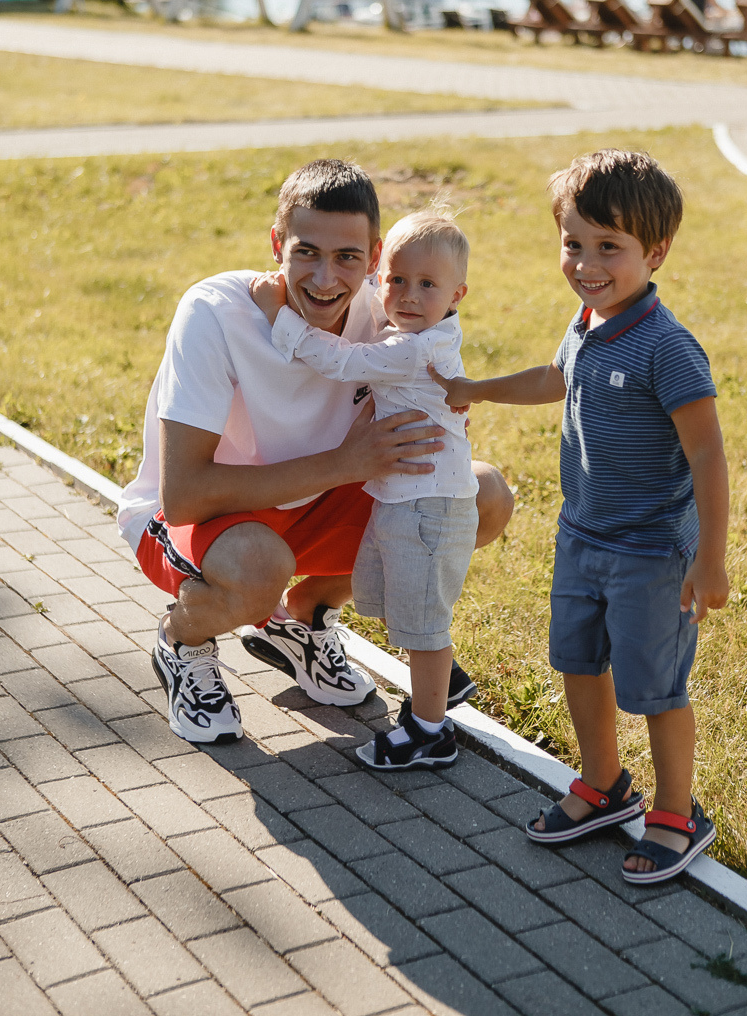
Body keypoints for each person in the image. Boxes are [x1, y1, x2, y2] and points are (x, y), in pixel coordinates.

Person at [117, 159, 513, 745]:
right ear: (277, 243)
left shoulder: (390, 307)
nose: (326, 279)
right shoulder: (216, 310)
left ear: (375, 258)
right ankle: (183, 641)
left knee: (480, 496)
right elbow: (183, 497)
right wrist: (344, 464)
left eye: (347, 257)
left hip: (315, 502)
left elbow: (433, 376)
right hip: (204, 521)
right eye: (307, 252)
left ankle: (306, 617)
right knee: (258, 567)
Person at [430, 149, 730, 884]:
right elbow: (554, 377)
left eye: (608, 247)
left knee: (654, 687)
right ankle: (603, 785)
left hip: (651, 553)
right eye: (573, 243)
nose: (586, 264)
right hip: (582, 537)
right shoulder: (589, 319)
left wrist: (710, 559)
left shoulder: (667, 347)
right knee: (576, 661)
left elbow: (708, 455)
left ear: (655, 253)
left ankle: (677, 812)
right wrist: (475, 387)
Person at [257, 206, 477, 770]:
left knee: (424, 626)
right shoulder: (416, 329)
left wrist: (278, 314)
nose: (406, 295)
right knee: (400, 604)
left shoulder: (412, 349)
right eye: (396, 279)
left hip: (428, 506)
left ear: (458, 294)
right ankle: (434, 685)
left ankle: (429, 730)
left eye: (427, 285)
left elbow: (338, 361)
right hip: (407, 498)